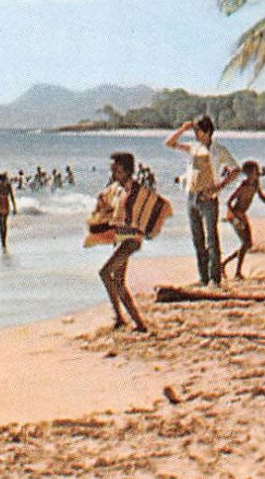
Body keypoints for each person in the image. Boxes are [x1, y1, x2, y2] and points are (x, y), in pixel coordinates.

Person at [91, 153, 169, 333]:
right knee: (118, 280)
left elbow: (143, 216)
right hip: (122, 240)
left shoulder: (135, 191)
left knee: (105, 273)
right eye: (112, 169)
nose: (113, 173)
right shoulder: (117, 188)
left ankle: (132, 321)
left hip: (131, 240)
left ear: (126, 171)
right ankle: (124, 320)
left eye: (116, 170)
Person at [166, 115, 240, 287]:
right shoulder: (193, 147)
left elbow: (235, 169)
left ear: (207, 131)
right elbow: (169, 143)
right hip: (192, 195)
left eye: (198, 131)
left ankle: (215, 278)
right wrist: (182, 129)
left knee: (211, 238)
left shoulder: (218, 150)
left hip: (208, 198)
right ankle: (203, 277)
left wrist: (219, 186)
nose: (195, 134)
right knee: (197, 239)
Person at [222, 161, 265, 282]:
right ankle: (237, 272)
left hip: (242, 215)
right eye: (255, 171)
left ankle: (223, 264)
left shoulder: (255, 184)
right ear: (248, 173)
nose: (257, 174)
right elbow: (229, 202)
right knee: (245, 243)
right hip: (235, 215)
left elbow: (262, 196)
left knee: (248, 244)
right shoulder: (242, 186)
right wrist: (234, 219)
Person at [0, 173, 17, 251]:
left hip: (0, 206)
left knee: (1, 224)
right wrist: (14, 207)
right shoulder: (8, 186)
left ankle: (3, 241)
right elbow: (12, 197)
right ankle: (4, 241)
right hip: (5, 206)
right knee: (4, 224)